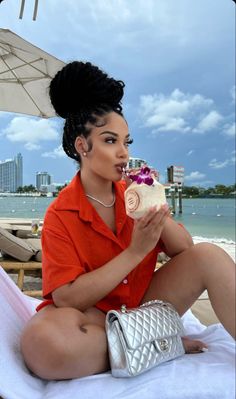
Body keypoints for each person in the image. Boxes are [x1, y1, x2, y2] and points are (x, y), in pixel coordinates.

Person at [20, 61, 235, 381]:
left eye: (126, 142)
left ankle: (142, 344)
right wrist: (134, 253)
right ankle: (158, 345)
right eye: (110, 141)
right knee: (43, 344)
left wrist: (154, 207)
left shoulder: (134, 192)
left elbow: (186, 251)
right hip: (96, 317)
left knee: (211, 256)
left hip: (147, 305)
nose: (123, 152)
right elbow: (66, 298)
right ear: (83, 146)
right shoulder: (60, 215)